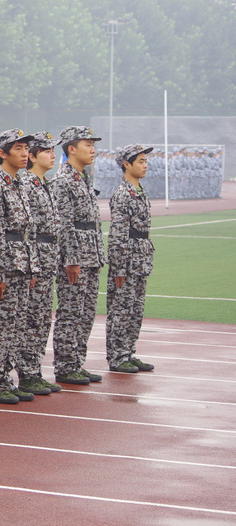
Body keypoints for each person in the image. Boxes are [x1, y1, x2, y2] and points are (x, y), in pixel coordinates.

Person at [0, 129, 39, 405]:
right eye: (18, 148)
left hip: (22, 261)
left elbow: (27, 230)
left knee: (15, 324)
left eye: (26, 148)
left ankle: (6, 377)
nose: (25, 153)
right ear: (2, 153)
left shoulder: (21, 182)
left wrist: (32, 267)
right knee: (0, 326)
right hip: (6, 262)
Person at [51, 126, 106, 385]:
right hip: (76, 257)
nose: (92, 149)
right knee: (71, 312)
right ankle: (65, 365)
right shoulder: (63, 181)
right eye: (87, 144)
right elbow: (64, 223)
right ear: (71, 149)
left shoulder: (83, 178)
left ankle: (77, 362)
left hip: (91, 254)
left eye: (93, 145)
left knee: (86, 312)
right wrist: (71, 259)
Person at [18, 132, 64, 395]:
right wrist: (33, 264)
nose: (52, 154)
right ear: (32, 157)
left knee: (42, 318)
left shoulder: (44, 184)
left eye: (52, 150)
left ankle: (34, 369)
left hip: (48, 260)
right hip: (34, 261)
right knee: (31, 318)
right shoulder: (28, 185)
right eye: (46, 151)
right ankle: (27, 372)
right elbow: (29, 232)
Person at [106, 144, 156, 374]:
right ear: (127, 164)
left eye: (146, 161)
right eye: (141, 161)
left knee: (135, 310)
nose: (145, 165)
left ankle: (128, 352)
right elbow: (117, 234)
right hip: (126, 261)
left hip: (141, 258)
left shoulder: (139, 190)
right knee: (121, 310)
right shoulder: (123, 193)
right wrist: (118, 268)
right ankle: (117, 356)